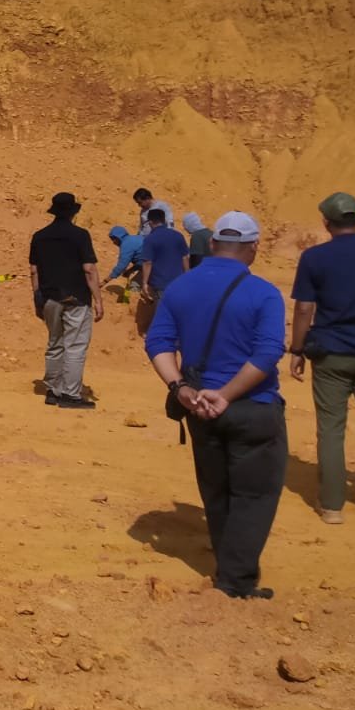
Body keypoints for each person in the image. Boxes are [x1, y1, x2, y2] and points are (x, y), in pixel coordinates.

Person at [145, 211, 286, 600]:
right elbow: (268, 351)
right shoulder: (263, 293)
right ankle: (236, 583)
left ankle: (228, 569)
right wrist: (227, 394)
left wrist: (181, 389)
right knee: (254, 495)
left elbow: (157, 343)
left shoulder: (178, 289)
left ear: (211, 245)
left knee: (217, 491)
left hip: (199, 409)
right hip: (252, 406)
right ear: (253, 247)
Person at [289, 192, 355, 525]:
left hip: (330, 355)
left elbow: (303, 308)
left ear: (326, 222)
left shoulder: (315, 258)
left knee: (330, 430)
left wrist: (296, 350)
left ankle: (331, 507)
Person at [28, 192, 103, 408]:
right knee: (75, 346)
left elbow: (34, 271)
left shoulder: (39, 236)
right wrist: (98, 299)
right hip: (76, 297)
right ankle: (70, 394)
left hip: (49, 297)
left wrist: (37, 299)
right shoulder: (80, 235)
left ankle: (53, 390)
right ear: (73, 212)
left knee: (55, 343)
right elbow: (89, 269)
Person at [136, 209, 189, 335]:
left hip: (161, 283)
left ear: (150, 222)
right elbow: (185, 257)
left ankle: (159, 336)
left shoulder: (151, 239)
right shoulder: (178, 235)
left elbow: (147, 262)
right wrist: (188, 276)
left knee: (163, 311)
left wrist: (144, 283)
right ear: (164, 220)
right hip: (180, 281)